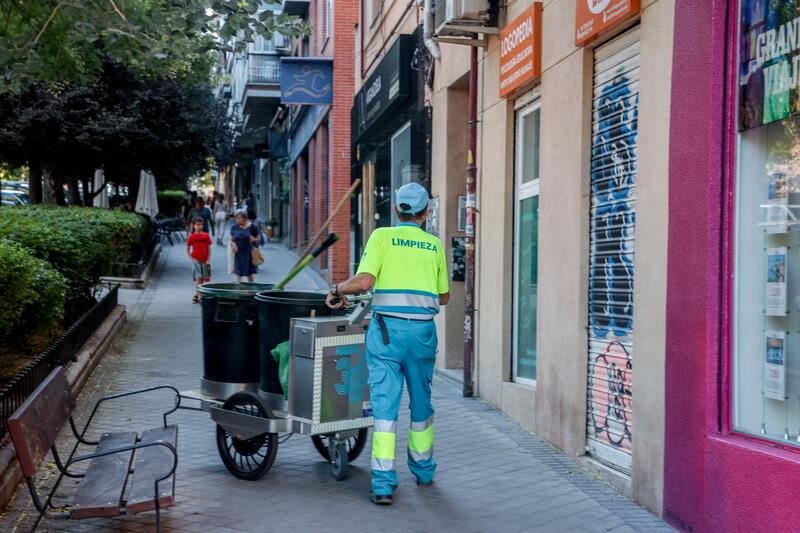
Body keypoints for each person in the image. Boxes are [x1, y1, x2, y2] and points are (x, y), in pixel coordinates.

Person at [326, 182, 449, 506]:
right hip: (422, 334)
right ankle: (423, 470)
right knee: (421, 405)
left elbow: (365, 282)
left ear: (396, 210)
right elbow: (444, 296)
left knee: (385, 407)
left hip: (386, 335)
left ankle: (383, 483)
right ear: (425, 212)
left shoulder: (382, 237)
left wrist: (337, 288)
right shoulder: (434, 246)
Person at [186, 217, 212, 303]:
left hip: (205, 260)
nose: (200, 226)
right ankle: (200, 296)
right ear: (193, 226)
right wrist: (192, 259)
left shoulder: (206, 235)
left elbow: (209, 248)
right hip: (196, 260)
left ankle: (197, 295)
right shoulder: (192, 237)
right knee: (199, 278)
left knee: (205, 278)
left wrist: (208, 259)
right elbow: (187, 249)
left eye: (201, 224)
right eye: (198, 224)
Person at [230, 210, 260, 282]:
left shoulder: (253, 227)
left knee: (249, 274)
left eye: (239, 218)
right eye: (236, 218)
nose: (237, 220)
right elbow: (231, 238)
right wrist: (233, 244)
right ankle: (238, 290)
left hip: (249, 253)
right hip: (238, 253)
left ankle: (252, 289)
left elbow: (258, 239)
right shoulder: (234, 227)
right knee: (238, 273)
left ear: (245, 219)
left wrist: (254, 239)